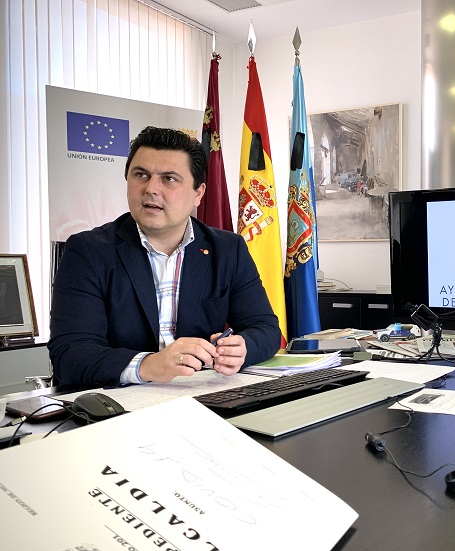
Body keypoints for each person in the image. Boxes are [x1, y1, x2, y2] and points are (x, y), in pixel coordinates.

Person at [49, 126, 281, 387]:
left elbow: (266, 329)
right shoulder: (88, 251)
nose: (151, 189)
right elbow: (69, 354)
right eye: (141, 175)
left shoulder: (228, 249)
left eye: (169, 178)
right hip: (118, 400)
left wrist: (242, 348)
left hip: (201, 392)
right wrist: (147, 365)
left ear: (198, 193)